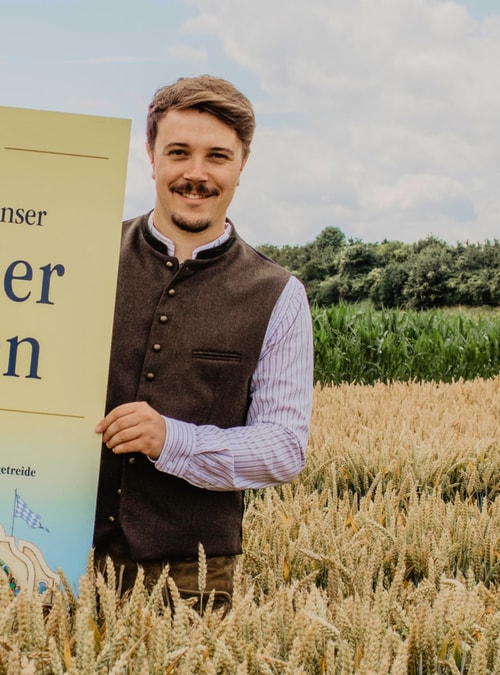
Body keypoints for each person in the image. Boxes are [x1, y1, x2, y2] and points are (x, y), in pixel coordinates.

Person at [92, 76, 313, 613]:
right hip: (53, 551)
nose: (196, 173)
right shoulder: (84, 254)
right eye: (178, 152)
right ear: (150, 156)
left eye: (217, 156)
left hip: (191, 574)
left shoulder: (280, 295)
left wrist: (173, 439)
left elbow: (285, 446)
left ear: (242, 164)